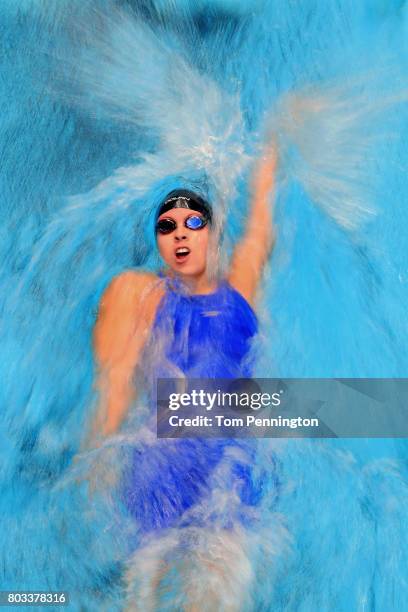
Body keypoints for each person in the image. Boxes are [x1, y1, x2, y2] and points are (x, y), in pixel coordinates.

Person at [88, 146, 277, 609]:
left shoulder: (241, 295)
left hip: (228, 484)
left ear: (213, 234)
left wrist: (274, 143)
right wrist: (97, 464)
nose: (180, 234)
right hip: (160, 480)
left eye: (194, 222)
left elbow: (259, 230)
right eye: (166, 226)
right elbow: (113, 388)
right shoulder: (144, 295)